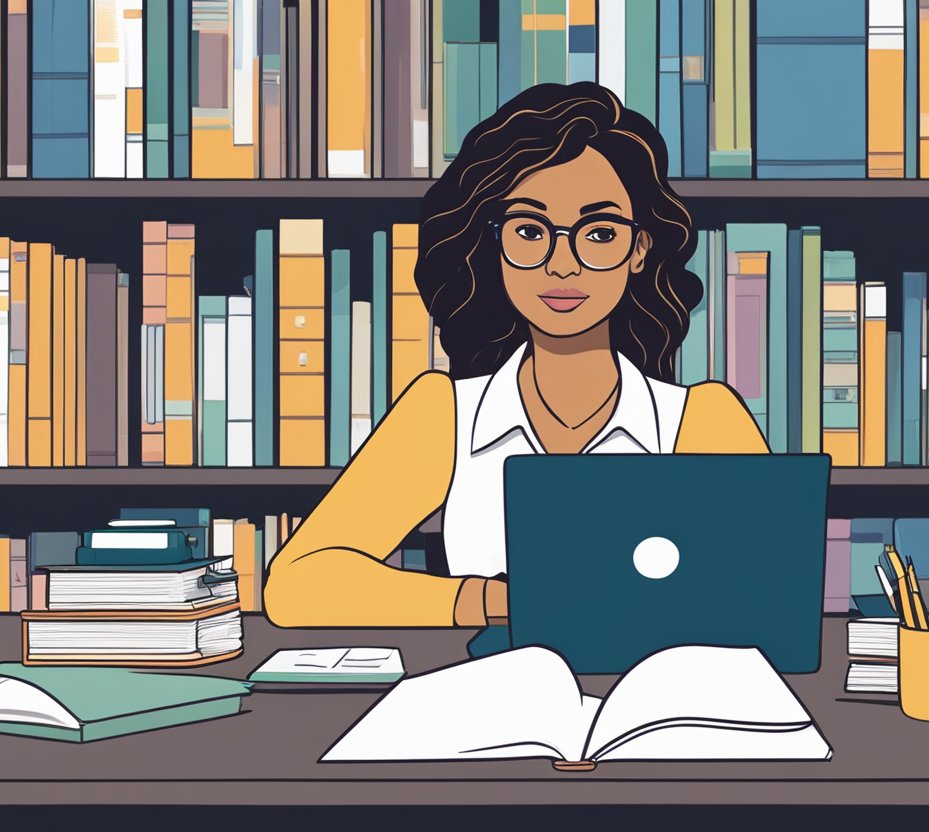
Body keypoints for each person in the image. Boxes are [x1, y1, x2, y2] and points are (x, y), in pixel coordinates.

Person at [264, 82, 769, 628]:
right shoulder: (444, 415)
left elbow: (771, 590)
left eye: (598, 233)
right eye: (530, 230)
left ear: (639, 250)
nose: (562, 265)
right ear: (494, 242)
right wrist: (492, 602)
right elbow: (299, 583)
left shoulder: (702, 421)